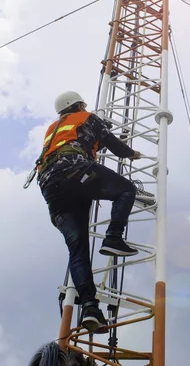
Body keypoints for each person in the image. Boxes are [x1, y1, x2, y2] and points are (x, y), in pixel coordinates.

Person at [36, 90, 142, 334]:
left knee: (78, 251)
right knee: (126, 189)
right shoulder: (86, 117)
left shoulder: (53, 129)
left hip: (50, 188)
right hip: (73, 171)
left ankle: (91, 309)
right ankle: (113, 237)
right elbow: (114, 146)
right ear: (79, 105)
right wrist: (132, 153)